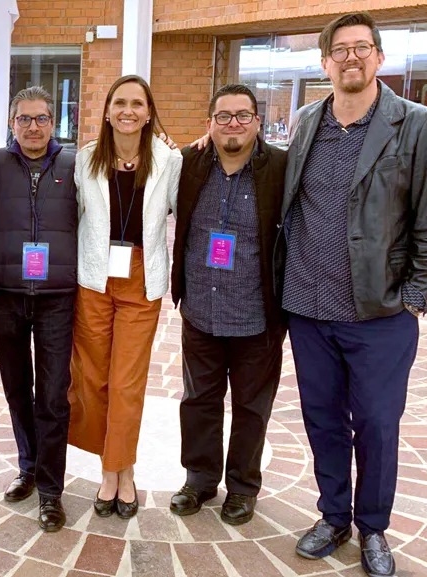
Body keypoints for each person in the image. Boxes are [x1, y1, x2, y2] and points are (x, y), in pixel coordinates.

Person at [279, 13, 427, 576]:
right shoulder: (306, 120)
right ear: (325, 61)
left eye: (362, 48)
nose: (350, 57)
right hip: (308, 308)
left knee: (378, 423)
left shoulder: (418, 125)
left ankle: (373, 528)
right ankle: (333, 515)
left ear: (380, 57)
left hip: (380, 311)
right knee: (322, 420)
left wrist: (414, 296)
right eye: (340, 49)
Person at [169, 84, 287, 526]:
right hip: (200, 309)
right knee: (198, 400)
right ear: (209, 124)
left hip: (258, 316)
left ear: (258, 121)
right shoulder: (188, 163)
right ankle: (199, 480)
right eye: (223, 116)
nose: (233, 123)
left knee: (252, 407)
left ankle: (241, 487)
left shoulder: (280, 166)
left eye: (242, 115)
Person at [69, 74, 182, 519]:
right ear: (109, 110)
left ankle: (123, 471)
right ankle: (107, 468)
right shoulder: (84, 160)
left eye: (137, 103)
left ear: (149, 111)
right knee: (93, 379)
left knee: (126, 382)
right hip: (94, 278)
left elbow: (185, 208)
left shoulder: (169, 161)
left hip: (140, 279)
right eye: (120, 102)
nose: (128, 111)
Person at [0, 87, 78, 532]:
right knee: (17, 388)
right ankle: (28, 465)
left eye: (42, 118)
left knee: (54, 396)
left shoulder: (76, 164)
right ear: (11, 122)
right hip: (4, 292)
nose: (34, 127)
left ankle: (51, 490)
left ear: (53, 122)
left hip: (58, 296)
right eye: (24, 119)